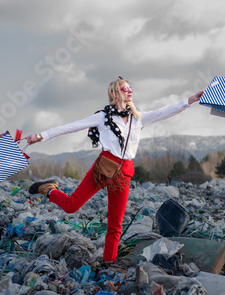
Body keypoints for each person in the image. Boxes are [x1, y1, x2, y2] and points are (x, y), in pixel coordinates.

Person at [26, 77, 204, 263]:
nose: (130, 91)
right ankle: (49, 189)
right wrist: (40, 136)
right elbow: (70, 127)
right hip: (104, 167)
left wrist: (190, 100)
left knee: (115, 224)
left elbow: (166, 111)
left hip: (124, 173)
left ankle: (108, 263)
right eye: (126, 88)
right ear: (115, 92)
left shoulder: (138, 118)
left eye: (131, 88)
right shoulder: (102, 117)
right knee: (71, 206)